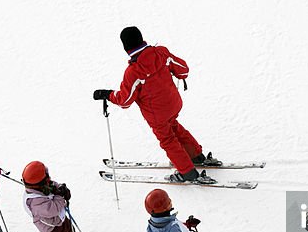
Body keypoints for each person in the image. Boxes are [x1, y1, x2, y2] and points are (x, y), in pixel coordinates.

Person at [93, 26, 220, 183]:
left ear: (125, 47)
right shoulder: (161, 52)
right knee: (174, 126)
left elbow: (125, 101)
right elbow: (183, 70)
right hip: (174, 103)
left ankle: (187, 172)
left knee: (168, 139)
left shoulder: (133, 72)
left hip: (157, 115)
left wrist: (107, 94)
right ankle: (196, 156)